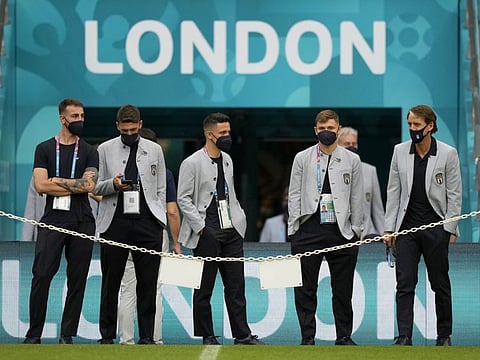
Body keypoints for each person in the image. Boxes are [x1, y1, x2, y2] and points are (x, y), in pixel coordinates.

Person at [177, 112, 263, 345]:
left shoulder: (227, 159)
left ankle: (242, 335)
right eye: (223, 132)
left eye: (229, 132)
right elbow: (183, 198)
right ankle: (207, 335)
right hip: (207, 230)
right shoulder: (192, 162)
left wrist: (239, 221)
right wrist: (202, 227)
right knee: (204, 288)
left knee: (236, 286)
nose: (227, 136)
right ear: (209, 134)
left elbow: (230, 192)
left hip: (231, 228)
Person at [384, 104, 462, 346]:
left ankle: (444, 336)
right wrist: (389, 229)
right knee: (405, 283)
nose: (413, 129)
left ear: (430, 126)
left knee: (440, 283)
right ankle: (404, 336)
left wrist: (449, 229)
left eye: (417, 125)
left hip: (436, 228)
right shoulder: (399, 151)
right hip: (406, 229)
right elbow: (393, 192)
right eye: (410, 124)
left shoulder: (448, 153)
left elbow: (455, 194)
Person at [23, 98, 99, 344]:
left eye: (82, 116)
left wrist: (57, 181)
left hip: (83, 220)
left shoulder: (89, 151)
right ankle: (34, 333)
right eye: (75, 116)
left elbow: (89, 185)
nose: (80, 120)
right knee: (42, 274)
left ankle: (67, 334)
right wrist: (66, 184)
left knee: (77, 278)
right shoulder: (44, 149)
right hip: (53, 218)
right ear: (62, 118)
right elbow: (40, 185)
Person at [288, 109, 363, 346]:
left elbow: (357, 198)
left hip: (341, 231)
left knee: (342, 290)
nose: (327, 132)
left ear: (338, 129)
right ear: (315, 130)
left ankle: (344, 336)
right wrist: (294, 229)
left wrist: (357, 232)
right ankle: (307, 337)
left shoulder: (352, 159)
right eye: (322, 129)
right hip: (309, 228)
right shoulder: (303, 157)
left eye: (331, 128)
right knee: (305, 289)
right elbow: (294, 195)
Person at [94, 104, 167, 345]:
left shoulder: (155, 149)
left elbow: (160, 189)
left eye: (133, 129)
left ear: (140, 125)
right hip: (115, 221)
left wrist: (160, 219)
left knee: (148, 284)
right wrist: (113, 184)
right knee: (110, 283)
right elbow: (94, 186)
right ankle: (106, 336)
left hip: (148, 223)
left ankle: (147, 336)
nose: (129, 134)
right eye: (124, 130)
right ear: (117, 127)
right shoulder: (104, 149)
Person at [118, 127, 181, 345]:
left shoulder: (123, 170)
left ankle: (126, 341)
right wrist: (177, 242)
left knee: (127, 289)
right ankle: (154, 338)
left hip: (124, 230)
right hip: (153, 233)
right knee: (153, 287)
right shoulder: (164, 172)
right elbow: (171, 210)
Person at [337, 127, 384, 238]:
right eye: (347, 144)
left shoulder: (370, 170)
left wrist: (384, 234)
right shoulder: (330, 171)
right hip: (341, 237)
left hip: (367, 235)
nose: (351, 147)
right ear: (338, 145)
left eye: (354, 143)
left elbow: (377, 210)